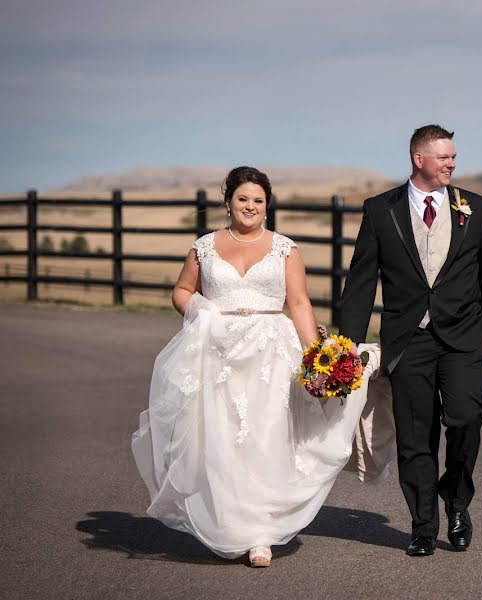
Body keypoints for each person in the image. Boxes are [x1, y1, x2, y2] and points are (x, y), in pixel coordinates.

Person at [132, 166, 388, 567]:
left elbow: (299, 303)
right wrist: (202, 312)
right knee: (226, 439)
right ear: (228, 201)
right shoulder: (204, 247)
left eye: (258, 200)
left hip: (272, 354)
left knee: (266, 437)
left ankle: (260, 535)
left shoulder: (285, 248)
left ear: (267, 206)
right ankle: (234, 522)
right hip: (218, 354)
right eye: (242, 199)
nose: (250, 206)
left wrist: (315, 357)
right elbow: (182, 291)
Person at [339, 125, 482, 556]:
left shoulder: (477, 207)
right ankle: (421, 525)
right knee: (416, 437)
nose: (453, 163)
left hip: (464, 336)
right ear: (419, 159)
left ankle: (456, 502)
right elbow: (362, 280)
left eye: (454, 156)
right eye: (444, 157)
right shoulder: (381, 211)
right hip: (407, 340)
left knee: (466, 417)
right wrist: (348, 344)